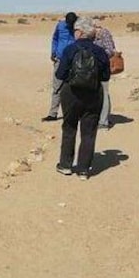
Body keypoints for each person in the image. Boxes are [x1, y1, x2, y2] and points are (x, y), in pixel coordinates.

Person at [54, 17, 110, 180]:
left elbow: (60, 74)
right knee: (89, 132)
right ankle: (84, 169)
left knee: (69, 127)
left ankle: (65, 165)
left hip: (71, 93)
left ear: (79, 32)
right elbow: (106, 77)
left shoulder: (70, 49)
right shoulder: (100, 52)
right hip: (93, 94)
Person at [42, 11, 77, 121]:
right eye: (68, 24)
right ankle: (53, 114)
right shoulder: (60, 25)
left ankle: (73, 113)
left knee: (74, 87)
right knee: (57, 87)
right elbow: (55, 38)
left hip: (74, 61)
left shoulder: (79, 28)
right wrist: (53, 52)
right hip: (60, 60)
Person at [92, 19, 117, 129]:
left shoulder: (104, 33)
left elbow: (110, 50)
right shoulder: (92, 36)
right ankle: (100, 117)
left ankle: (103, 122)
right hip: (93, 68)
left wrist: (98, 55)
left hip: (103, 67)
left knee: (104, 93)